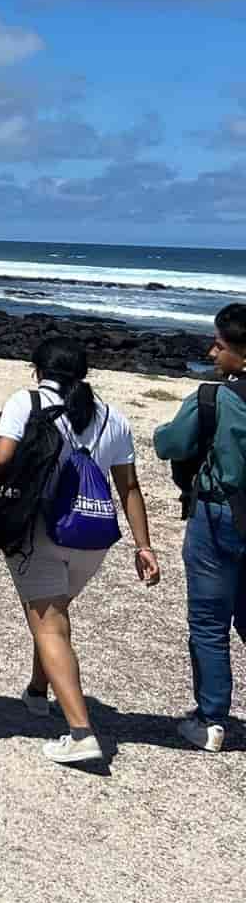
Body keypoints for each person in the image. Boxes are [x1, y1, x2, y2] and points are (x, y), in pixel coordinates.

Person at [0, 337, 161, 765]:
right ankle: (36, 689)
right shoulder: (113, 418)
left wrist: (2, 482)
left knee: (49, 625)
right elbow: (130, 487)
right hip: (93, 534)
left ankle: (81, 731)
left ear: (37, 369)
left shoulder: (25, 402)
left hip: (41, 530)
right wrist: (144, 545)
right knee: (54, 615)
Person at [156, 303, 246, 753]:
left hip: (218, 516)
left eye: (221, 345)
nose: (213, 351)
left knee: (210, 622)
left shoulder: (213, 398)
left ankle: (211, 719)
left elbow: (170, 443)